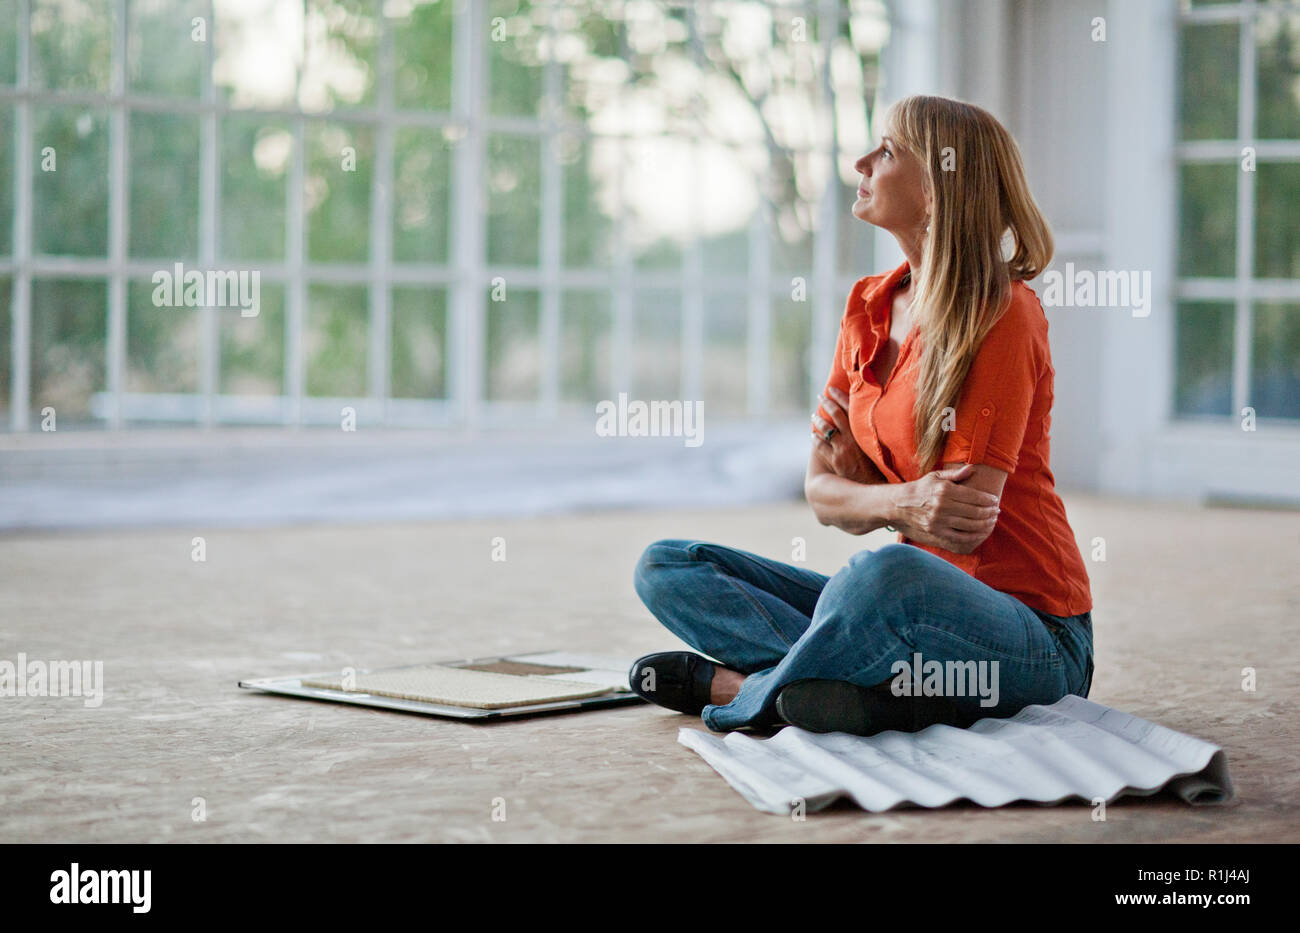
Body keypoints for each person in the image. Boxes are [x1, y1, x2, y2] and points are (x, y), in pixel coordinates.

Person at [629, 94, 1095, 736]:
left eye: (887, 151)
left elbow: (961, 526)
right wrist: (900, 502)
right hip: (899, 613)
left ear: (938, 186)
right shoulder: (868, 306)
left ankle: (748, 694)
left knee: (884, 573)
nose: (860, 162)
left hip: (1032, 636)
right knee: (669, 565)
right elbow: (821, 492)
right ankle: (873, 691)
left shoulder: (1002, 313)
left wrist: (873, 495)